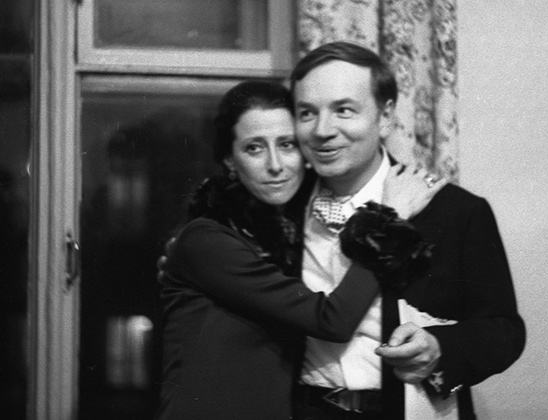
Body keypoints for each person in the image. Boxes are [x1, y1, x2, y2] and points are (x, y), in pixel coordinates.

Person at [154, 80, 440, 420]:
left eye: (287, 144)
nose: (275, 165)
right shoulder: (207, 239)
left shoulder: (285, 234)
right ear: (229, 159)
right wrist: (389, 217)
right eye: (254, 148)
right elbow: (332, 321)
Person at [289, 41, 526, 420]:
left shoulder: (454, 211)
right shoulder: (281, 209)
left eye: (344, 110)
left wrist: (439, 347)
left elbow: (505, 330)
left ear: (385, 117)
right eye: (306, 113)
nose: (322, 130)